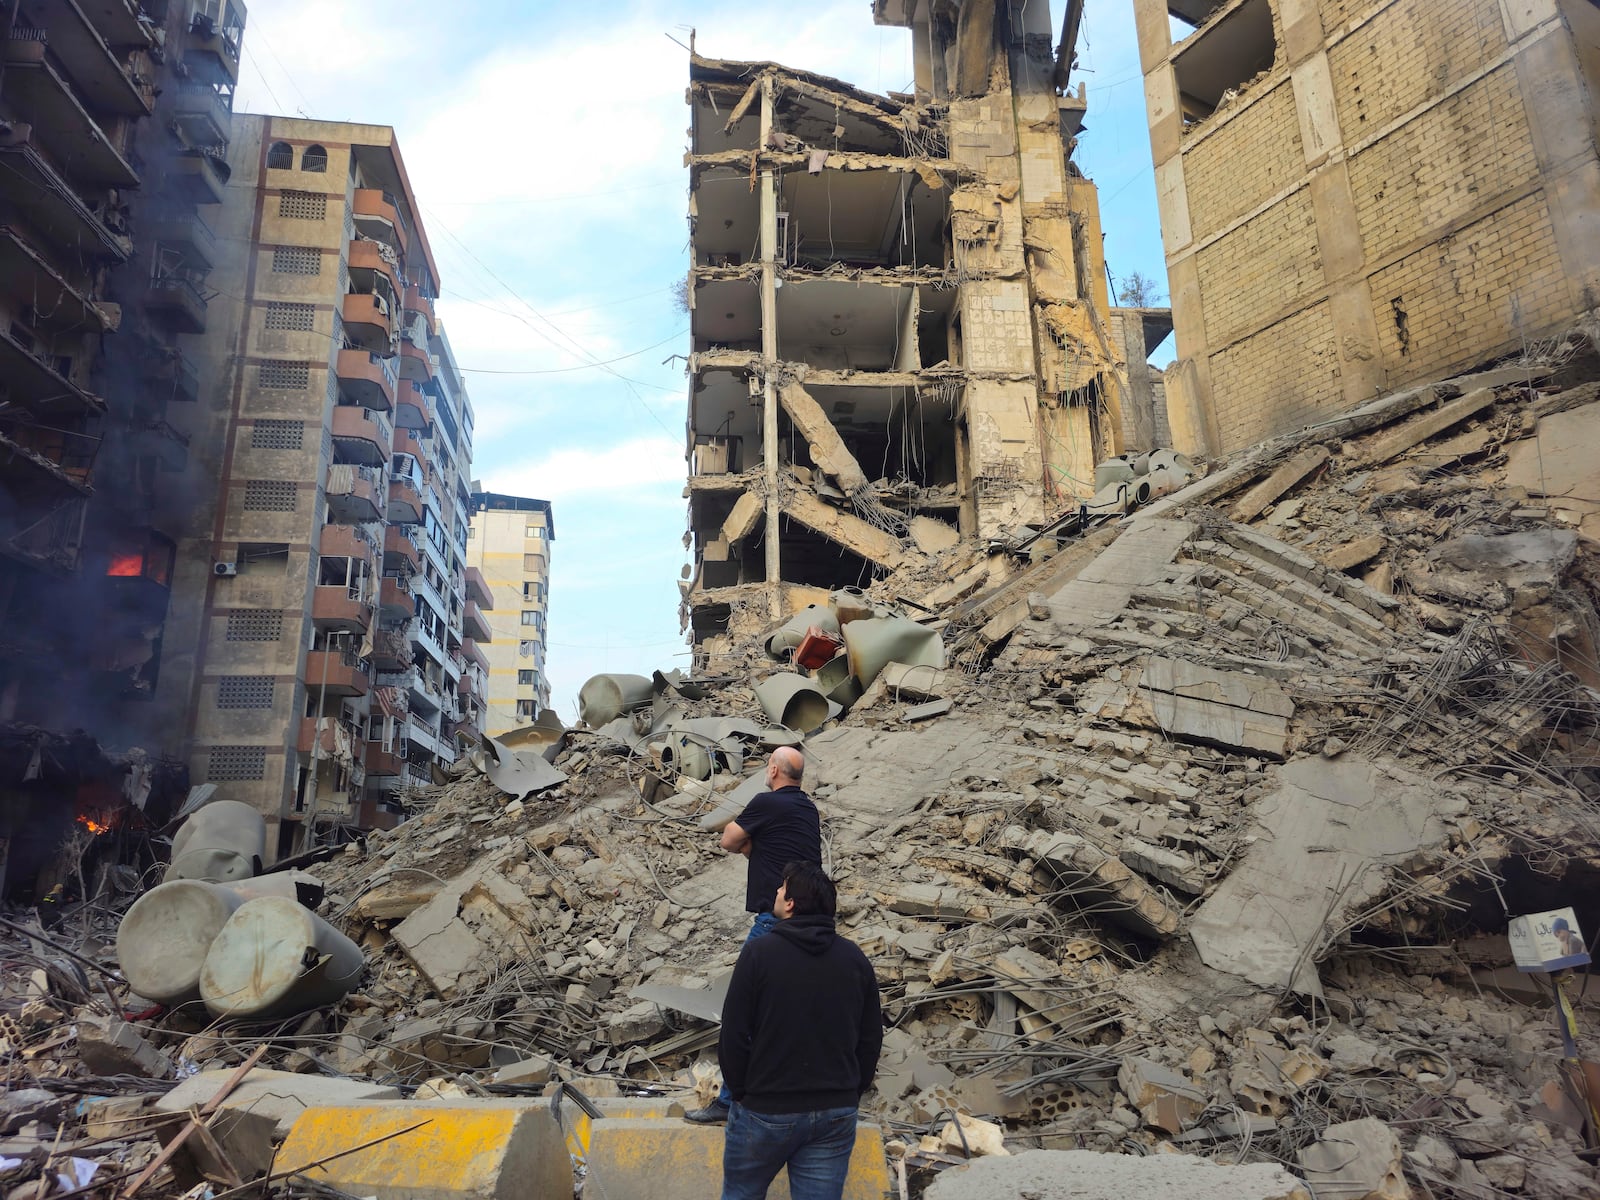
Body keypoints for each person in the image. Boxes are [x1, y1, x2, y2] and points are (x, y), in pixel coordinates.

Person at [717, 862, 882, 1200]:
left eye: (782, 888)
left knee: (741, 1193)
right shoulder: (854, 959)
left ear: (790, 903)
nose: (777, 892)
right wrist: (851, 1090)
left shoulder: (759, 953)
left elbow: (733, 1032)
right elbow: (870, 1038)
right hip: (835, 1112)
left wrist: (743, 1092)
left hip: (765, 1109)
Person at [686, 746, 822, 1125]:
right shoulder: (806, 809)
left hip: (774, 923)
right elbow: (772, 848)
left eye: (768, 765)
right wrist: (756, 844)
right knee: (793, 1011)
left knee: (742, 1011)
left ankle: (729, 1102)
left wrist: (747, 839)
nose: (766, 769)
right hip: (809, 923)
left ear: (775, 769)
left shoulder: (767, 803)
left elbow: (728, 840)